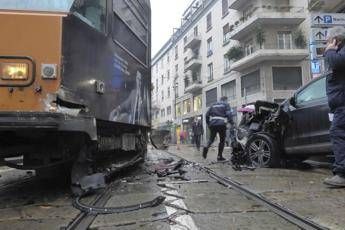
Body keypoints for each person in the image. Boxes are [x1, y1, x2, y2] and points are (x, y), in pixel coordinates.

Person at [323, 26, 345, 187]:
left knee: (337, 133)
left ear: (335, 40)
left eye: (328, 41)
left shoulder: (338, 54)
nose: (326, 44)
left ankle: (342, 174)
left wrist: (330, 50)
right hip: (340, 104)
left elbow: (337, 63)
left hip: (343, 105)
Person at [203, 96, 234, 161]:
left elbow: (207, 115)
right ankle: (219, 156)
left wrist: (208, 124)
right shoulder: (226, 104)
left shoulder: (213, 105)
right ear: (225, 100)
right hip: (221, 124)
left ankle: (206, 147)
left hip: (213, 124)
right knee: (222, 140)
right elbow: (229, 114)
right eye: (227, 100)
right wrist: (231, 122)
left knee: (211, 139)